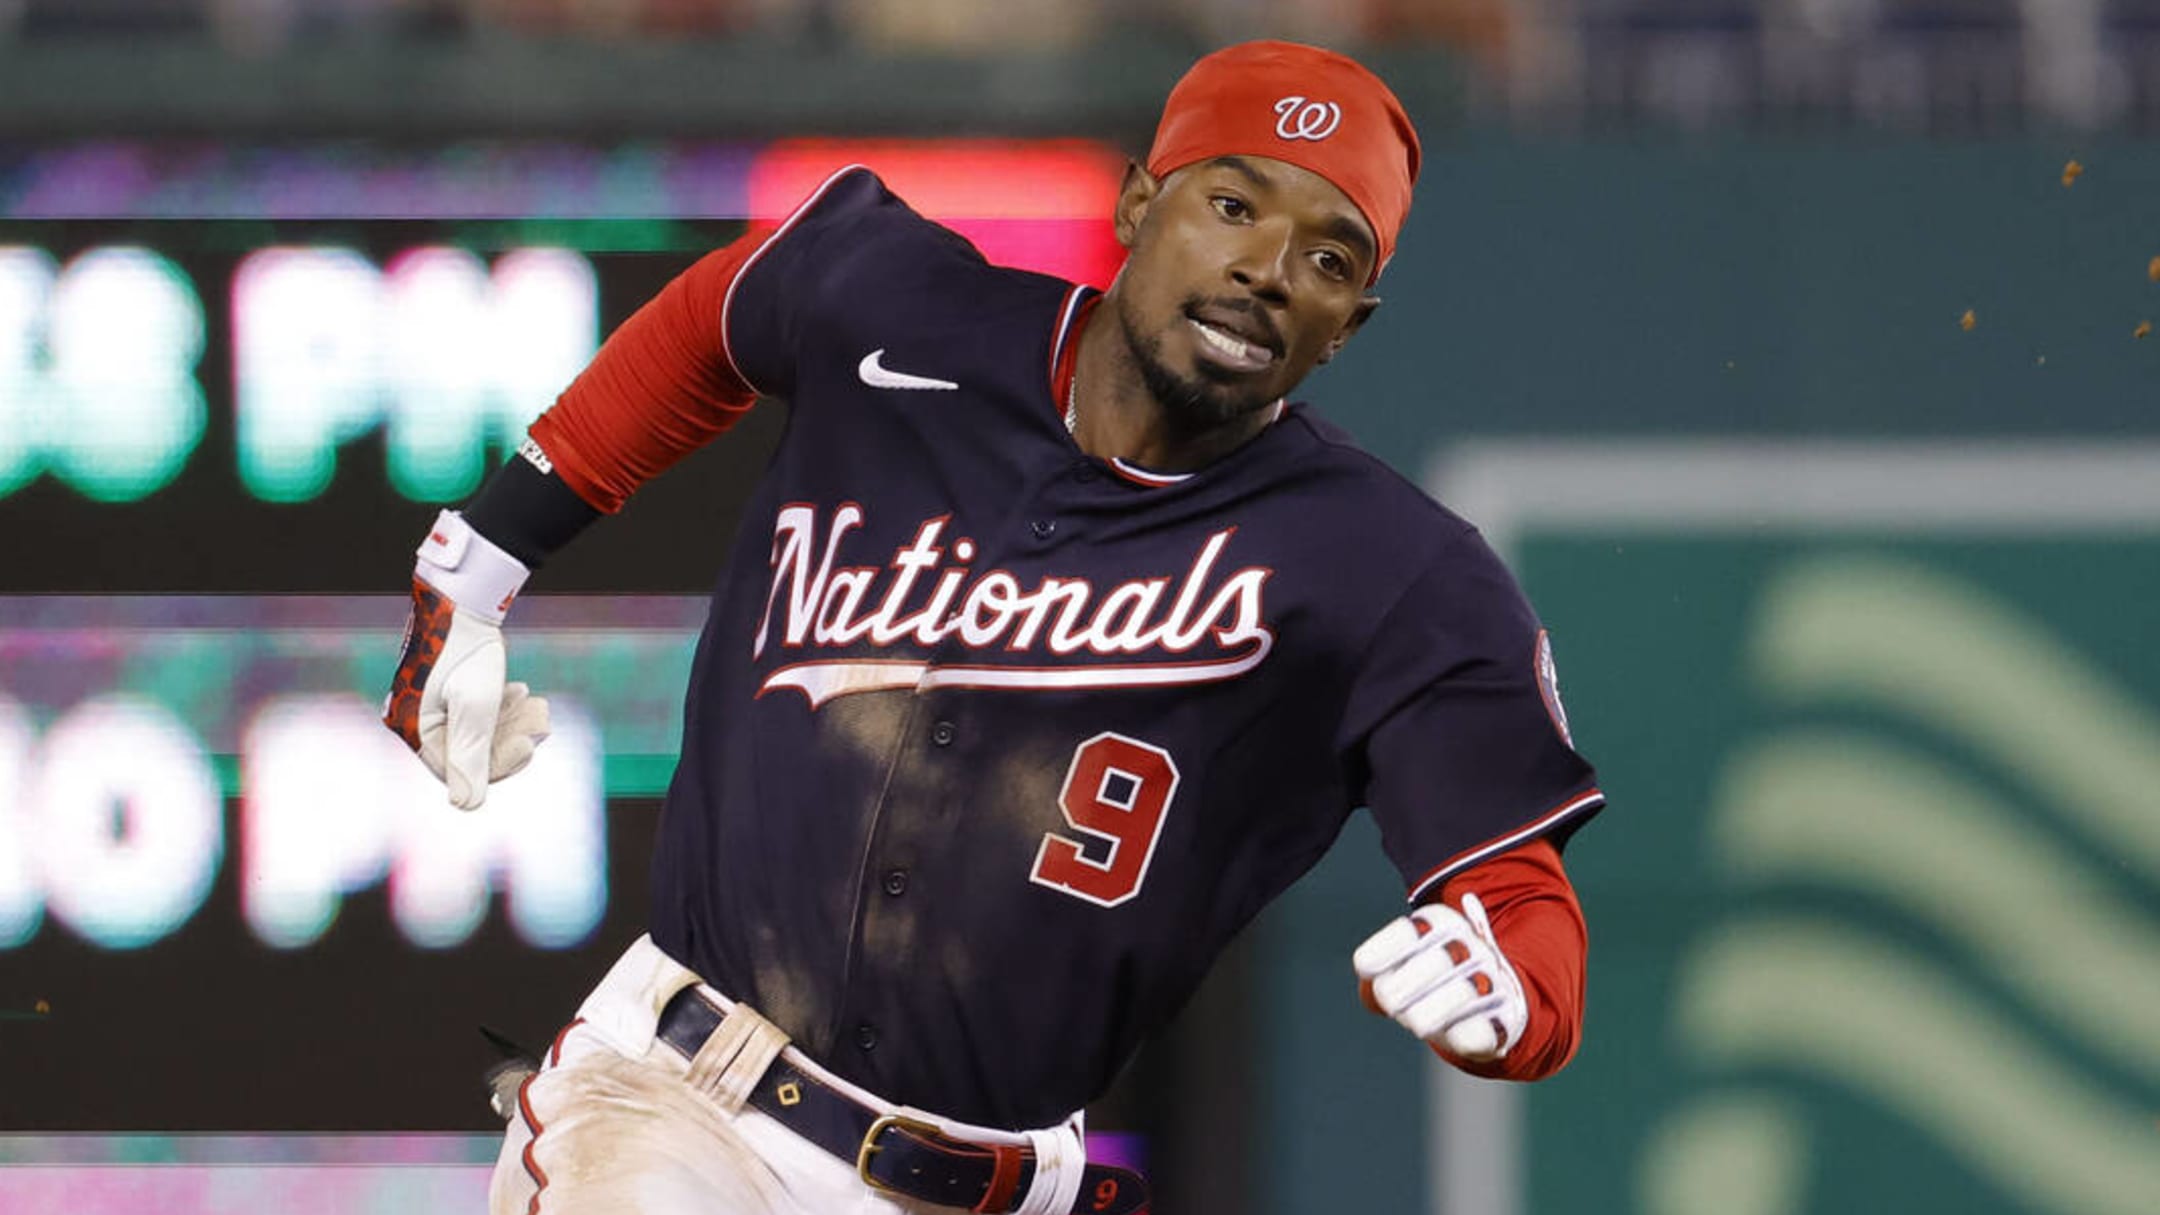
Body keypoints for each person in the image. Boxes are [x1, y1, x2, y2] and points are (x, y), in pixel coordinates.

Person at [382, 39, 1604, 1215]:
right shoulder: (903, 314)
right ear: (1138, 207)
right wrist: (473, 568)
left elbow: (1519, 903)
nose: (1270, 270)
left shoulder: (1391, 570)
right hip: (682, 1110)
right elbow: (720, 312)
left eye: (1329, 261)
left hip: (1004, 1180)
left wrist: (1520, 994)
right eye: (1233, 206)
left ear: (1350, 326)